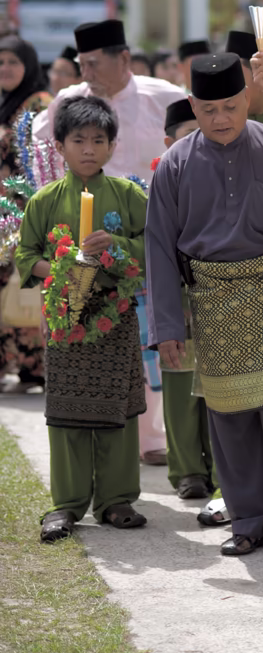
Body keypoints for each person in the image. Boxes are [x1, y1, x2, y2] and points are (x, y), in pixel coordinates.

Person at [145, 52, 263, 558]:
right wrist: (167, 327)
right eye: (208, 110)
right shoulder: (175, 165)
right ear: (192, 107)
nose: (221, 118)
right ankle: (248, 520)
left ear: (247, 99)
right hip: (213, 300)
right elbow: (158, 247)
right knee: (230, 416)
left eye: (230, 106)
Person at [32, 19, 183, 462]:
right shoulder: (68, 101)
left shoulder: (162, 96)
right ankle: (94, 435)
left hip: (145, 238)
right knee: (88, 334)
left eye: (94, 63)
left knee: (147, 336)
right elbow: (40, 157)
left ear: (124, 59)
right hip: (83, 245)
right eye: (81, 64)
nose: (87, 73)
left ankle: (152, 439)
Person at [16, 96, 149, 542]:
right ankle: (67, 504)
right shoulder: (44, 200)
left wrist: (116, 246)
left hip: (116, 313)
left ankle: (117, 499)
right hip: (64, 315)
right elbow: (25, 254)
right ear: (59, 146)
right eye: (78, 140)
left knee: (118, 407)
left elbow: (151, 245)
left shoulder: (129, 196)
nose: (89, 149)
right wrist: (61, 267)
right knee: (66, 410)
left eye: (98, 140)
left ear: (112, 145)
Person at [154, 97, 217, 500]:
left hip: (215, 296)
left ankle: (219, 466)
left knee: (217, 387)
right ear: (168, 143)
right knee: (179, 386)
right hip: (178, 299)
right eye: (188, 134)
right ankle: (187, 470)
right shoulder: (162, 182)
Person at [0, 35, 53, 390]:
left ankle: (31, 367)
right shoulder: (5, 103)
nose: (5, 69)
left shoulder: (40, 104)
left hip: (22, 212)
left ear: (29, 66)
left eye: (13, 62)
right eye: (0, 62)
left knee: (21, 283)